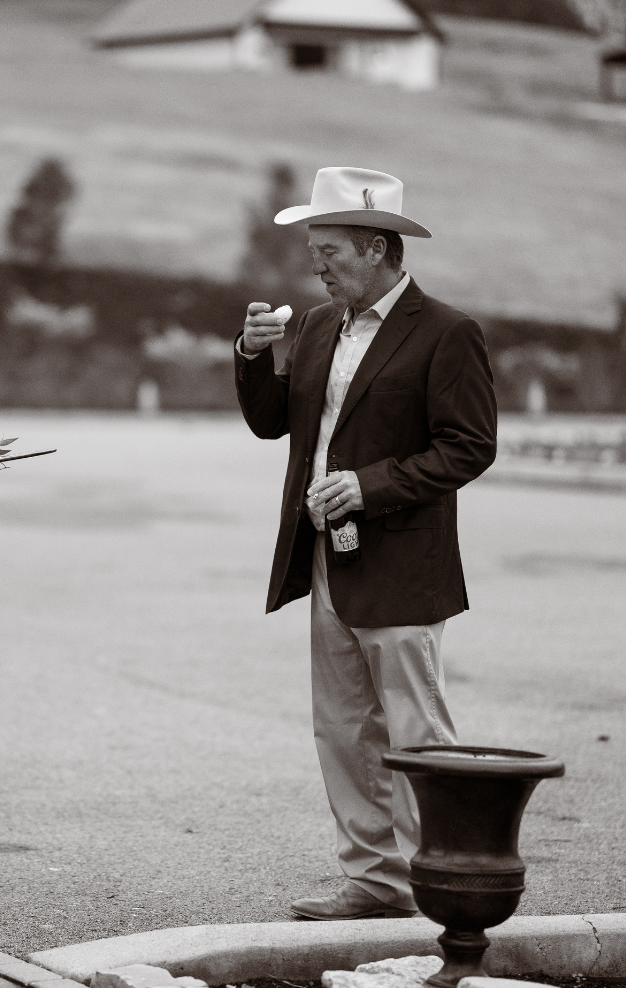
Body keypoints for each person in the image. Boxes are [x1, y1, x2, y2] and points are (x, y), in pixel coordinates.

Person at [234, 167, 497, 920]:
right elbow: (273, 422)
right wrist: (253, 355)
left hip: (405, 562)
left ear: (379, 248)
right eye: (313, 251)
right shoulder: (318, 326)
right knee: (344, 729)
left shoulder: (448, 332)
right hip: (325, 558)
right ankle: (376, 882)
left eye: (330, 252)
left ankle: (440, 880)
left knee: (417, 730)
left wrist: (369, 486)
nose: (315, 266)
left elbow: (469, 447)